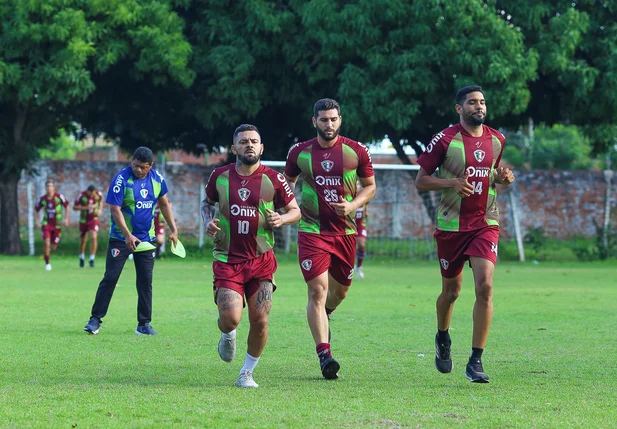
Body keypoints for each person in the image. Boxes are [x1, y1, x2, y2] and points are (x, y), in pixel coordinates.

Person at [415, 85, 515, 383]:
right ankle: (443, 337)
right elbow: (421, 181)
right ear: (459, 108)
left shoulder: (497, 139)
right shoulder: (445, 139)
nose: (479, 107)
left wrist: (503, 178)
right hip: (451, 226)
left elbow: (493, 175)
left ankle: (475, 360)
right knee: (452, 292)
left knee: (484, 287)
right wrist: (451, 184)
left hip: (485, 222)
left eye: (482, 102)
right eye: (472, 103)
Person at [202, 124, 300, 388]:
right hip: (227, 259)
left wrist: (282, 218)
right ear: (234, 148)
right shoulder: (219, 176)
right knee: (231, 318)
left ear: (261, 147)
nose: (249, 145)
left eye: (254, 141)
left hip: (261, 260)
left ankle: (246, 372)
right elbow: (206, 203)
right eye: (243, 141)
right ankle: (228, 332)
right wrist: (207, 221)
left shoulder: (274, 179)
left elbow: (295, 211)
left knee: (260, 320)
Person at [284, 98, 376, 379]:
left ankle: (325, 315)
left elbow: (370, 187)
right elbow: (286, 182)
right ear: (315, 122)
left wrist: (352, 205)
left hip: (345, 232)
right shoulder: (299, 152)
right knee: (317, 291)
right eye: (323, 119)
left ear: (340, 120)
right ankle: (324, 354)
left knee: (339, 292)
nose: (329, 124)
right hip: (312, 231)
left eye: (333, 119)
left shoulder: (356, 150)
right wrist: (290, 207)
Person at [83, 146, 178, 336]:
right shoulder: (121, 179)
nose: (138, 170)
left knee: (145, 281)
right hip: (121, 239)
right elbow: (115, 209)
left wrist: (174, 229)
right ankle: (95, 320)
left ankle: (143, 324)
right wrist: (127, 235)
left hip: (146, 239)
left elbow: (164, 203)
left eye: (143, 167)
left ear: (150, 165)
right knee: (110, 278)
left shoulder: (157, 179)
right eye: (135, 165)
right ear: (131, 161)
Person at [35, 180, 69, 271]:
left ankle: (53, 244)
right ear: (45, 188)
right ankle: (47, 263)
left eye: (51, 186)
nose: (49, 188)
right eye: (47, 186)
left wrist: (66, 219)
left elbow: (67, 206)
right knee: (46, 243)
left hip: (57, 224)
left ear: (54, 187)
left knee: (53, 247)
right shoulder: (43, 199)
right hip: (46, 223)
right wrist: (37, 220)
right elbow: (36, 209)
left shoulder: (59, 197)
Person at [73, 185, 104, 268]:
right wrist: (86, 207)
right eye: (91, 193)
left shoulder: (98, 194)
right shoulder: (81, 195)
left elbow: (101, 201)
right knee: (83, 240)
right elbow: (75, 207)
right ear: (88, 191)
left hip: (94, 219)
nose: (92, 195)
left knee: (94, 237)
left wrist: (100, 210)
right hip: (84, 220)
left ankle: (92, 259)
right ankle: (81, 257)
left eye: (93, 193)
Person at [354, 181, 369, 279]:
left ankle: (359, 266)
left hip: (360, 225)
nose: (357, 187)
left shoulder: (363, 197)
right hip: (349, 225)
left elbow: (366, 207)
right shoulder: (347, 197)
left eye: (358, 185)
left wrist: (367, 212)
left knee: (361, 244)